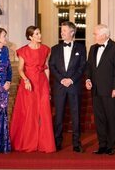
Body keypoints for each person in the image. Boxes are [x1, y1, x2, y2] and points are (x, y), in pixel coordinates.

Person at [10, 26, 56, 153]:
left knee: (45, 111)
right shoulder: (23, 51)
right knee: (30, 112)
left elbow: (46, 68)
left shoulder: (46, 49)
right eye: (36, 34)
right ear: (30, 37)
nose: (40, 35)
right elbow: (20, 69)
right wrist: (26, 80)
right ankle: (29, 142)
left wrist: (49, 86)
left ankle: (45, 144)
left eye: (39, 33)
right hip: (29, 83)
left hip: (42, 83)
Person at [85, 24, 115, 155]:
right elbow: (89, 67)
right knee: (99, 118)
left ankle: (111, 145)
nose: (94, 36)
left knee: (111, 117)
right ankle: (102, 144)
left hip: (110, 90)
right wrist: (88, 79)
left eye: (95, 33)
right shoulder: (92, 48)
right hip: (96, 89)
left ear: (103, 35)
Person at [49, 21, 86, 153]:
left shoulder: (81, 48)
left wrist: (71, 79)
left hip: (74, 86)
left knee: (76, 115)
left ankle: (76, 143)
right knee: (58, 115)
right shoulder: (55, 48)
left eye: (64, 31)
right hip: (59, 86)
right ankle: (57, 142)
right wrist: (61, 79)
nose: (61, 33)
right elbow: (52, 66)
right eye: (61, 30)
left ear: (72, 32)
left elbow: (82, 67)